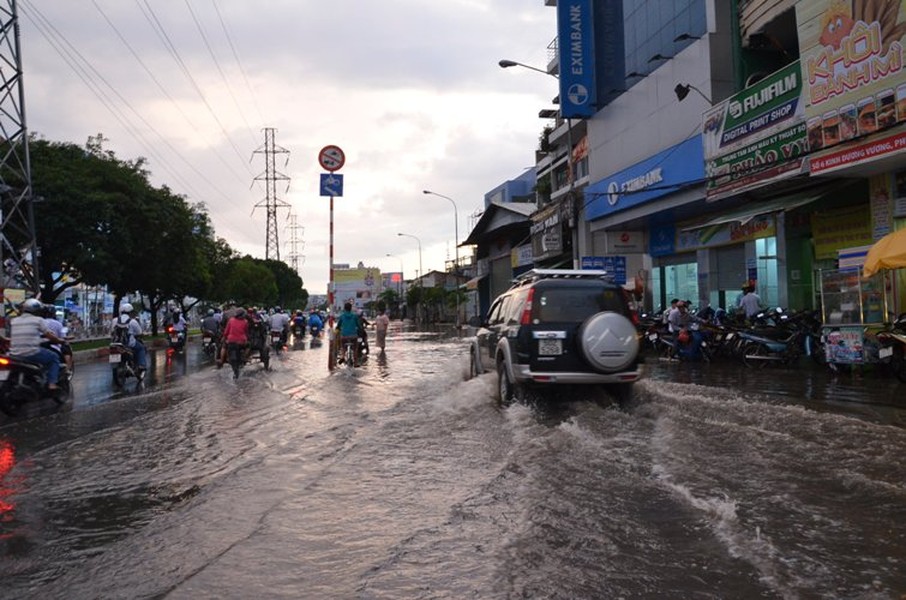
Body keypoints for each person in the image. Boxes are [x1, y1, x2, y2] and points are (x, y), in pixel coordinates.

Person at [9, 298, 68, 394]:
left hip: (14, 353)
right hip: (31, 352)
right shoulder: (38, 320)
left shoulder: (14, 321)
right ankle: (52, 384)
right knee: (54, 358)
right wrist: (60, 341)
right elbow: (50, 336)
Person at [112, 302, 147, 372]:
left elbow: (112, 331)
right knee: (141, 348)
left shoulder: (115, 320)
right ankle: (141, 365)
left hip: (116, 343)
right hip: (129, 344)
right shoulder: (132, 321)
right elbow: (139, 332)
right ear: (130, 312)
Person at [43, 305, 73, 376]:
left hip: (38, 346)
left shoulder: (40, 322)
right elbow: (63, 337)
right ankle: (67, 369)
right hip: (54, 346)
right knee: (66, 349)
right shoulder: (58, 324)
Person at [220, 308, 250, 375]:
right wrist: (247, 338)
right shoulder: (245, 322)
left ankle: (221, 360)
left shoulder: (231, 320)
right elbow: (246, 332)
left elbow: (226, 331)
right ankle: (244, 357)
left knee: (224, 347)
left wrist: (224, 337)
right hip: (241, 342)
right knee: (249, 346)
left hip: (231, 341)